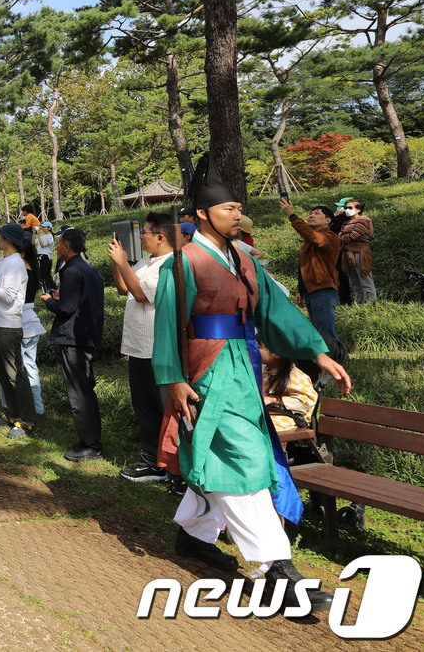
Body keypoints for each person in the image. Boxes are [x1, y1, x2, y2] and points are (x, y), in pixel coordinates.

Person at [154, 156, 350, 609]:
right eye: (228, 209)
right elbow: (167, 326)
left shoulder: (242, 258)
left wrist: (316, 350)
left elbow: (274, 313)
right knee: (242, 456)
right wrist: (173, 381)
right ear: (203, 215)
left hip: (243, 366)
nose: (237, 215)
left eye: (239, 208)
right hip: (207, 367)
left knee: (234, 451)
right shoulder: (182, 263)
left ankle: (194, 536)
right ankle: (275, 568)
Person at [109, 212, 175, 483]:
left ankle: (171, 466)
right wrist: (118, 263)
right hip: (137, 347)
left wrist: (124, 262)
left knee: (163, 409)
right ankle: (151, 461)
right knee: (144, 406)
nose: (140, 236)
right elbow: (123, 288)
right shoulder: (146, 261)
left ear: (160, 237)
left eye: (145, 232)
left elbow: (141, 294)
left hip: (157, 348)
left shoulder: (170, 264)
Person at [38, 229, 105, 462]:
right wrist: (61, 295)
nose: (56, 248)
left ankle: (91, 445)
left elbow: (65, 309)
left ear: (67, 246)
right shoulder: (88, 269)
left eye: (58, 244)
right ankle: (91, 440)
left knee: (78, 393)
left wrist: (49, 301)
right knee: (86, 390)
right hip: (86, 336)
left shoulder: (71, 270)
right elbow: (78, 301)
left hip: (73, 338)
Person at [0, 224, 37, 439]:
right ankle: (13, 413)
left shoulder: (16, 264)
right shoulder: (6, 261)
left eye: (0, 235)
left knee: (15, 373)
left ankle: (27, 420)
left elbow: (8, 296)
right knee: (2, 372)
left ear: (8, 240)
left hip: (9, 324)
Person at [279, 199, 342, 348]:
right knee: (320, 333)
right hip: (312, 292)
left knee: (326, 334)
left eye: (317, 213)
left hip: (323, 291)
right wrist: (301, 290)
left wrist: (292, 216)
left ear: (328, 220)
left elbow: (313, 237)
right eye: (311, 213)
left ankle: (335, 365)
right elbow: (306, 266)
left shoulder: (330, 237)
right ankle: (326, 366)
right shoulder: (309, 241)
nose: (311, 215)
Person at [338, 197, 376, 304]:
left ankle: (370, 305)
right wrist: (341, 239)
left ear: (358, 209)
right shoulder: (346, 222)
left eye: (350, 207)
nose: (347, 210)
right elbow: (339, 236)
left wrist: (341, 239)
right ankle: (360, 304)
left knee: (365, 280)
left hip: (360, 252)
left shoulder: (362, 221)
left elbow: (352, 236)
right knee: (354, 282)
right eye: (345, 207)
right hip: (348, 254)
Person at [36, 221, 55, 291]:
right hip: (39, 256)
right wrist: (33, 234)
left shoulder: (50, 236)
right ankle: (46, 290)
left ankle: (51, 289)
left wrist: (38, 235)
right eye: (42, 227)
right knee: (41, 275)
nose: (42, 228)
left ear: (49, 228)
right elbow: (33, 242)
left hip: (46, 257)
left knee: (46, 275)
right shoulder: (42, 236)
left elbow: (42, 245)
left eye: (44, 227)